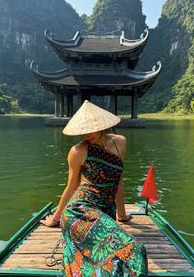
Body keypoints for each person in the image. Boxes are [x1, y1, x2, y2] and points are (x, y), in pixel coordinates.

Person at [41, 100, 147, 276]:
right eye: (83, 130)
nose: (86, 134)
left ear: (101, 125)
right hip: (79, 209)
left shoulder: (120, 142)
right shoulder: (78, 151)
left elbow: (118, 180)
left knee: (132, 252)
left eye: (90, 128)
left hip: (105, 211)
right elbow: (71, 187)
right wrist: (56, 217)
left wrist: (121, 214)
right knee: (133, 249)